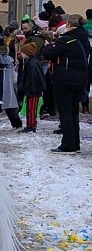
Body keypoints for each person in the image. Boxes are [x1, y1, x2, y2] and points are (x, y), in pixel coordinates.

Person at [42, 14, 89, 153]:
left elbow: (49, 54)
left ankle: (68, 145)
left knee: (65, 112)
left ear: (68, 24)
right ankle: (75, 143)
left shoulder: (66, 40)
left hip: (64, 79)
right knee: (73, 111)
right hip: (81, 78)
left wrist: (47, 46)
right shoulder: (84, 39)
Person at [17, 42, 46, 133]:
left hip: (33, 90)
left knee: (32, 109)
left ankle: (31, 126)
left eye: (22, 52)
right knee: (30, 108)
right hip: (33, 89)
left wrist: (29, 89)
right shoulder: (32, 62)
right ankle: (30, 125)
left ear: (27, 52)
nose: (20, 53)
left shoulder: (32, 63)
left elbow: (33, 78)